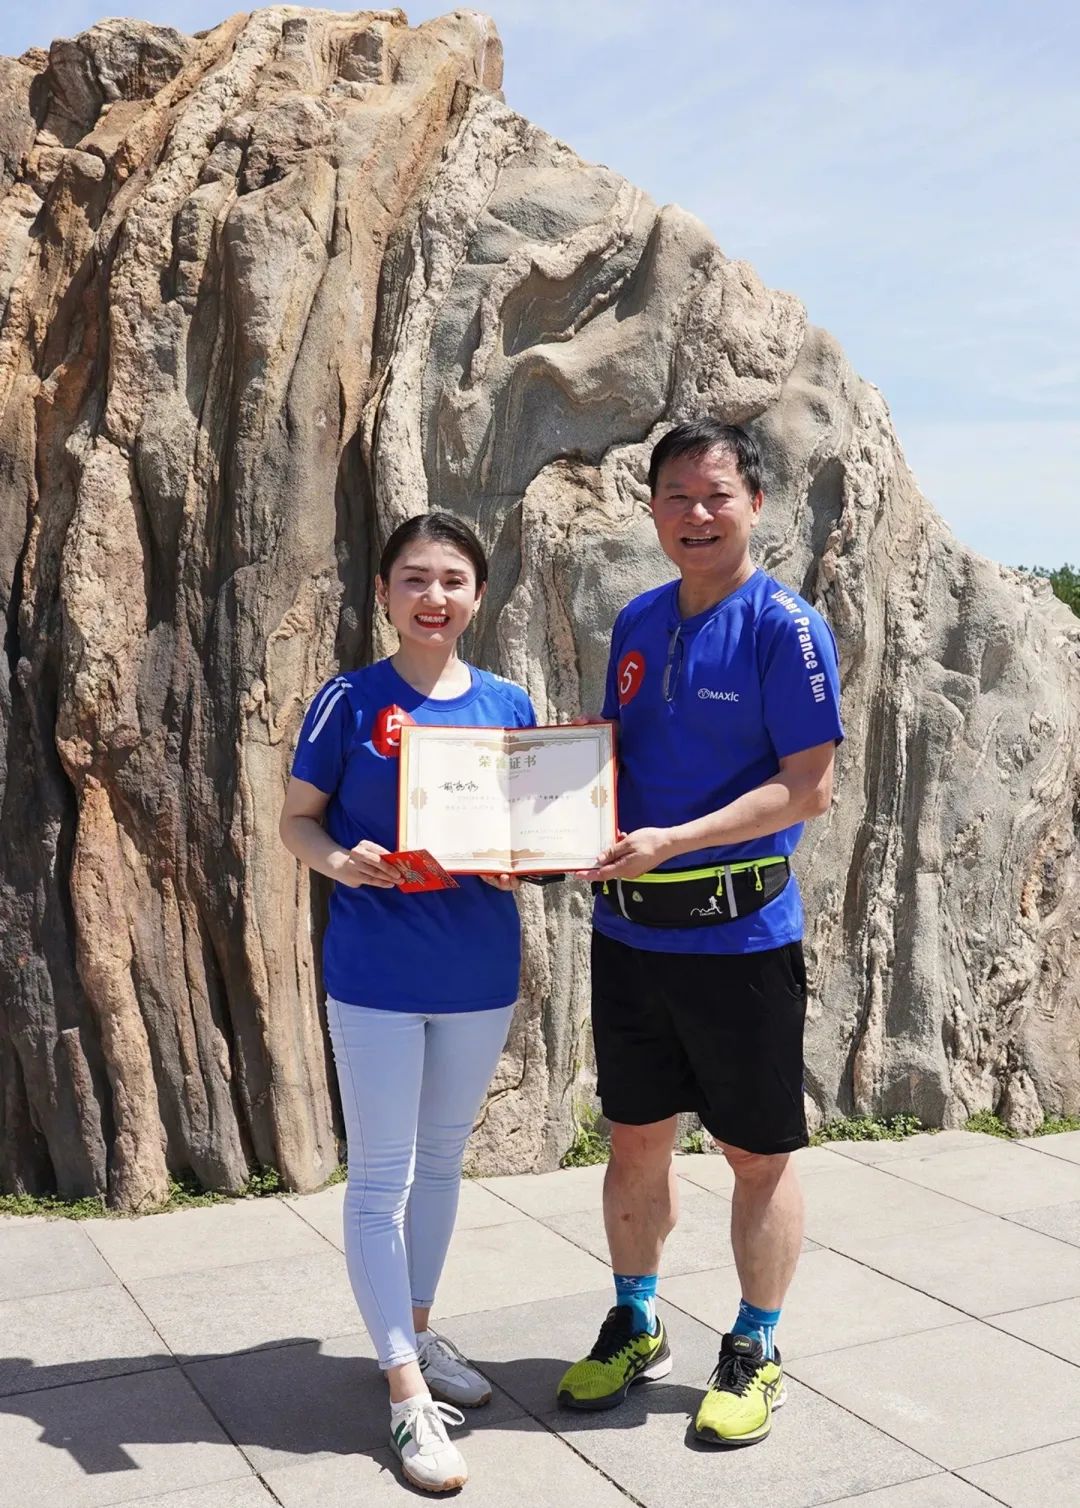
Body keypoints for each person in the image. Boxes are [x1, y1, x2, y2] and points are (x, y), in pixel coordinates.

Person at [556, 419, 844, 1448]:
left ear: (755, 503)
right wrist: (547, 812)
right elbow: (616, 760)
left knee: (754, 1153)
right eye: (676, 495)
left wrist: (676, 840)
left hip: (740, 939)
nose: (697, 513)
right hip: (632, 937)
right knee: (635, 1140)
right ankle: (636, 1320)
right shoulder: (638, 619)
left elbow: (807, 786)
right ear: (652, 510)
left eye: (716, 493)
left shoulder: (785, 627)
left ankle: (757, 1343)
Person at [279, 512, 534, 1493]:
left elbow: (533, 826)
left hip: (478, 969)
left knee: (441, 1161)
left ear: (479, 595)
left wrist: (520, 862)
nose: (435, 597)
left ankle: (418, 1331)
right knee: (382, 1174)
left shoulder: (509, 703)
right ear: (384, 593)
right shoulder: (347, 700)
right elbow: (298, 821)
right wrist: (342, 861)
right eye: (415, 579)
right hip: (378, 973)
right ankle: (403, 1391)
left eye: (453, 580)